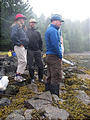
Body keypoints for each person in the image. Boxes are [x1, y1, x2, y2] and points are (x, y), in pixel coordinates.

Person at [45, 14, 64, 96]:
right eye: (60, 21)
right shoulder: (53, 31)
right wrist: (60, 56)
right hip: (54, 56)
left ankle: (47, 93)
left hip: (49, 56)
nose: (61, 23)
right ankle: (55, 96)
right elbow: (55, 45)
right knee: (56, 76)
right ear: (55, 21)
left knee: (50, 75)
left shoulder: (49, 29)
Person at [10, 13, 29, 82]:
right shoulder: (16, 26)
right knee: (23, 61)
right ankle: (17, 76)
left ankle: (19, 75)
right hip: (19, 46)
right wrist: (19, 43)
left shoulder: (20, 27)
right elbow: (13, 36)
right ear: (19, 19)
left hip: (23, 47)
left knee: (23, 61)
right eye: (23, 19)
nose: (24, 20)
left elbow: (23, 37)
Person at [27, 18, 43, 83]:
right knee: (30, 65)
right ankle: (32, 78)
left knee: (40, 65)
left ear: (35, 24)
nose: (33, 24)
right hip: (30, 50)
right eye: (31, 22)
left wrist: (40, 49)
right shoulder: (26, 31)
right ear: (29, 23)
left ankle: (40, 78)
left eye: (34, 22)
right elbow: (24, 40)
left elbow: (40, 41)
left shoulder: (37, 32)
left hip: (37, 50)